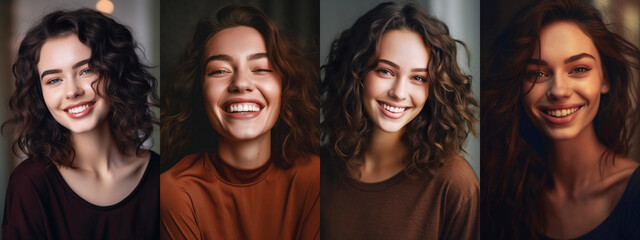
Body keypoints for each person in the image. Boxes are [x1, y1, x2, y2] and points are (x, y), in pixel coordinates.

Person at [481, 0, 640, 239]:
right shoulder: (496, 193)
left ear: (605, 79)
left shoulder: (634, 193)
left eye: (578, 69)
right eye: (537, 73)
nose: (559, 90)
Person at [320, 2, 479, 239]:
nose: (400, 92)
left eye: (418, 78)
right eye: (385, 71)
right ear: (356, 72)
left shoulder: (454, 184)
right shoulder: (320, 170)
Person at [160, 5, 319, 240]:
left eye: (261, 68)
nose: (241, 83)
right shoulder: (174, 191)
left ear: (285, 89)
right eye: (220, 71)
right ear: (200, 94)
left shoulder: (315, 179)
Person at [1, 8, 159, 239]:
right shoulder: (31, 183)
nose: (72, 91)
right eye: (54, 79)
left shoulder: (163, 177)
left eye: (86, 70)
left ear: (115, 72)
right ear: (40, 94)